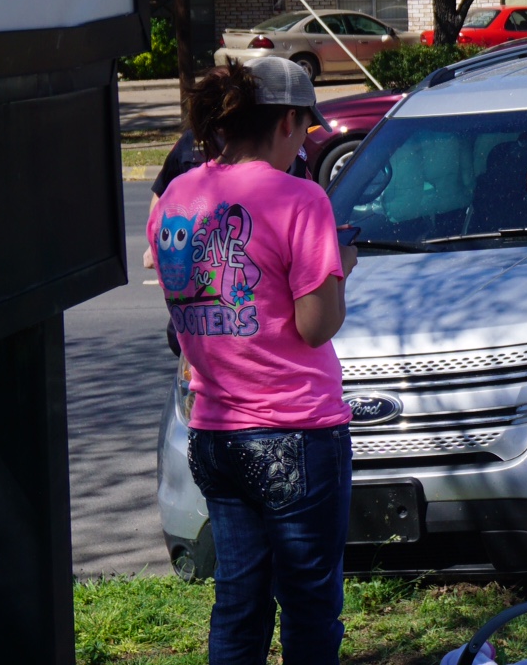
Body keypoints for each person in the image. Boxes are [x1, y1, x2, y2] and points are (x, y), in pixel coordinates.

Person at [150, 56, 356, 664]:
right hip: (295, 430)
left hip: (215, 434)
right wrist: (339, 270)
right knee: (310, 606)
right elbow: (316, 327)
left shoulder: (178, 198)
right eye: (305, 130)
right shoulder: (300, 198)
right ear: (289, 122)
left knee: (238, 604)